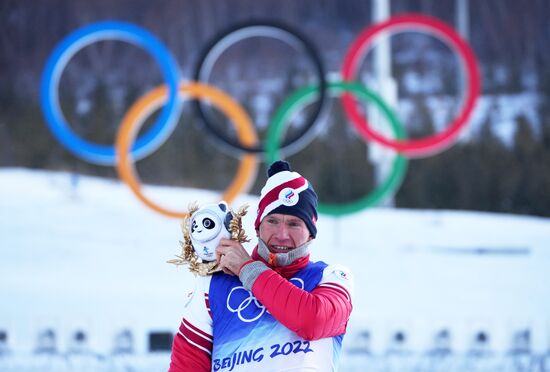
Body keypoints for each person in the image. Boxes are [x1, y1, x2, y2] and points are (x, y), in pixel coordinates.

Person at [169, 160, 354, 371]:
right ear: (258, 227)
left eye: (294, 224)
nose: (282, 235)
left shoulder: (331, 277)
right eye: (273, 221)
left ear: (311, 232)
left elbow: (312, 321)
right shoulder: (213, 285)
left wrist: (248, 270)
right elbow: (187, 363)